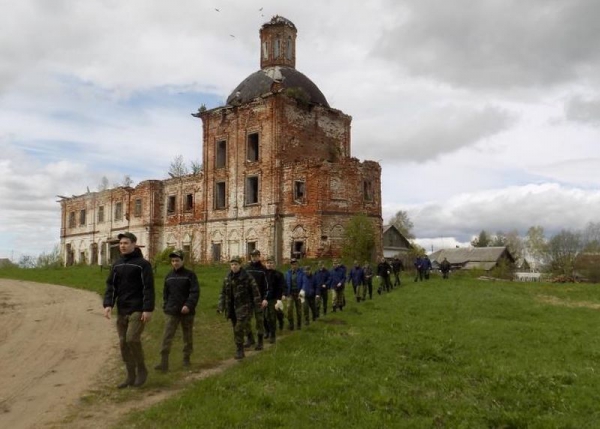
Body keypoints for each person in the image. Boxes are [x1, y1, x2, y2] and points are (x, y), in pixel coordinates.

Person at [103, 232, 155, 388]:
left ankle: (142, 369)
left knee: (131, 338)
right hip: (122, 309)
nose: (122, 246)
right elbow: (111, 286)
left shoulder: (143, 264)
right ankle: (130, 375)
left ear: (134, 244)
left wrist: (147, 309)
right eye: (121, 244)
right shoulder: (117, 265)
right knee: (123, 343)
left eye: (126, 243)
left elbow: (148, 288)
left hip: (138, 309)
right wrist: (108, 304)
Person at [154, 250, 199, 372]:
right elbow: (165, 294)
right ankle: (164, 362)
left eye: (177, 260)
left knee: (187, 336)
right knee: (167, 336)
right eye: (173, 261)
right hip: (172, 311)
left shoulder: (190, 275)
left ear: (182, 261)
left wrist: (188, 305)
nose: (175, 263)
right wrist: (166, 306)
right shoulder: (169, 276)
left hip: (187, 312)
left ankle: (186, 358)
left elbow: (194, 292)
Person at [218, 256, 262, 360]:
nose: (234, 266)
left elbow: (255, 291)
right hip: (232, 308)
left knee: (239, 328)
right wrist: (221, 306)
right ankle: (250, 338)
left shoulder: (247, 277)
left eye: (236, 264)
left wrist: (258, 305)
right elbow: (223, 293)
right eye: (232, 264)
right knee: (236, 327)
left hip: (244, 307)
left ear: (240, 265)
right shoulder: (227, 277)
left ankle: (240, 350)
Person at [245, 249, 268, 350]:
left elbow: (268, 286)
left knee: (259, 321)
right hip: (248, 300)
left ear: (259, 256)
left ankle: (260, 342)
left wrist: (265, 299)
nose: (254, 257)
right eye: (252, 256)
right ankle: (250, 339)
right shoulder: (246, 269)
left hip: (259, 299)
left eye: (256, 256)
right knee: (246, 320)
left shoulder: (263, 270)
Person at [264, 256, 285, 343]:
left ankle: (273, 335)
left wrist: (279, 298)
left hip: (274, 298)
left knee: (271, 317)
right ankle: (267, 331)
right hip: (264, 298)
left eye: (271, 263)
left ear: (274, 264)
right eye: (268, 263)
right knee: (263, 317)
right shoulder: (263, 274)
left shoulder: (279, 274)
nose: (269, 264)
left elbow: (281, 287)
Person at [284, 258, 303, 330]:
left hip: (299, 293)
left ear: (297, 265)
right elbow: (285, 284)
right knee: (289, 309)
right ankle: (291, 324)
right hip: (290, 293)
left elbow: (304, 282)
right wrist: (284, 294)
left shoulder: (301, 273)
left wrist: (302, 291)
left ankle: (299, 324)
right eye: (292, 264)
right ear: (290, 265)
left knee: (299, 309)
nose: (294, 266)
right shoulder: (287, 273)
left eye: (295, 264)